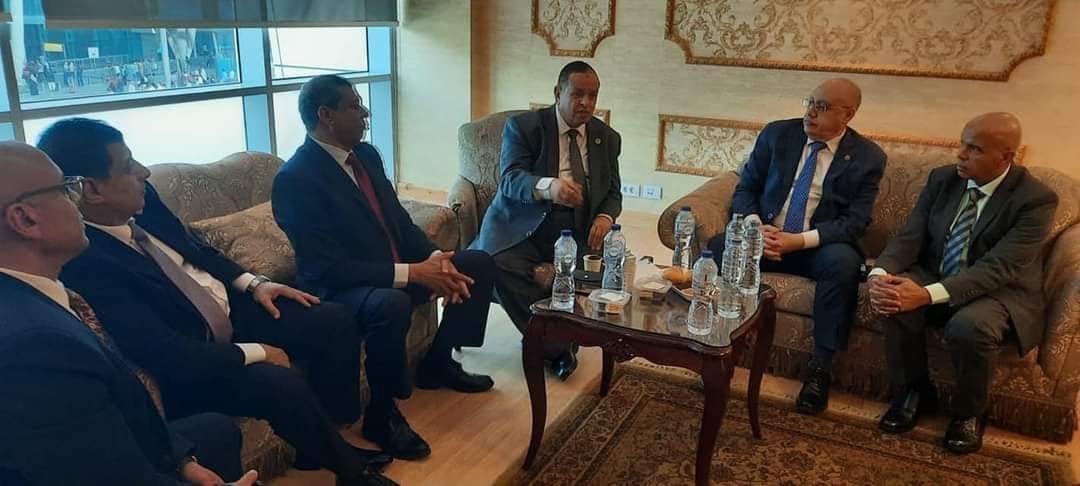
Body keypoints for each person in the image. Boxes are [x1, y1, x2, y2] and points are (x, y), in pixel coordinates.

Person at [43, 119, 395, 486]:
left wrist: (254, 284)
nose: (144, 171)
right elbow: (168, 353)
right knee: (280, 384)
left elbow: (195, 248)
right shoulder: (86, 263)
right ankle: (352, 472)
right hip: (196, 350)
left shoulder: (144, 199)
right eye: (129, 165)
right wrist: (259, 351)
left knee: (332, 319)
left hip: (230, 308)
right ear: (91, 189)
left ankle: (326, 439)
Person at [0, 142, 259, 486]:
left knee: (215, 431)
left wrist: (181, 461)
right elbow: (100, 475)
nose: (77, 200)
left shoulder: (33, 293)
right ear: (24, 219)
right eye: (65, 189)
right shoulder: (34, 343)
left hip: (122, 438)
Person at [272, 75, 497, 460]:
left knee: (477, 263)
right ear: (326, 115)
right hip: (342, 290)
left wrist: (434, 259)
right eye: (354, 106)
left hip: (392, 270)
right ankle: (382, 414)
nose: (366, 113)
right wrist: (413, 273)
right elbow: (327, 269)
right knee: (390, 304)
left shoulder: (366, 156)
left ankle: (438, 362)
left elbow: (400, 222)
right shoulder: (296, 179)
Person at [870, 113, 1058, 454]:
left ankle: (969, 413)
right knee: (893, 299)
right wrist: (879, 275)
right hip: (938, 272)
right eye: (962, 144)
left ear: (1005, 157)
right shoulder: (943, 179)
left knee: (970, 326)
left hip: (998, 291)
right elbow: (911, 237)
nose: (960, 154)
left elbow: (999, 267)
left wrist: (925, 295)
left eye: (974, 149)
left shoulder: (1035, 199)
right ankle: (914, 392)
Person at [710, 78, 887, 415]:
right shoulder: (778, 134)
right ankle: (718, 347)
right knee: (721, 247)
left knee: (844, 265)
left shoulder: (868, 157)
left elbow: (855, 222)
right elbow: (746, 188)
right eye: (810, 102)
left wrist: (798, 241)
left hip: (816, 245)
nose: (810, 113)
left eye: (822, 107)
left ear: (848, 115)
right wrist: (754, 227)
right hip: (765, 235)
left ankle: (820, 371)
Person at [471, 61, 623, 380]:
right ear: (557, 93)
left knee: (613, 268)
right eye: (577, 94)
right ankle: (557, 346)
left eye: (593, 96)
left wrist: (605, 216)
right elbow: (510, 179)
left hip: (576, 229)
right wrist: (549, 187)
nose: (586, 103)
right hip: (521, 226)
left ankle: (564, 332)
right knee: (496, 265)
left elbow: (613, 192)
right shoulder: (525, 127)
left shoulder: (607, 138)